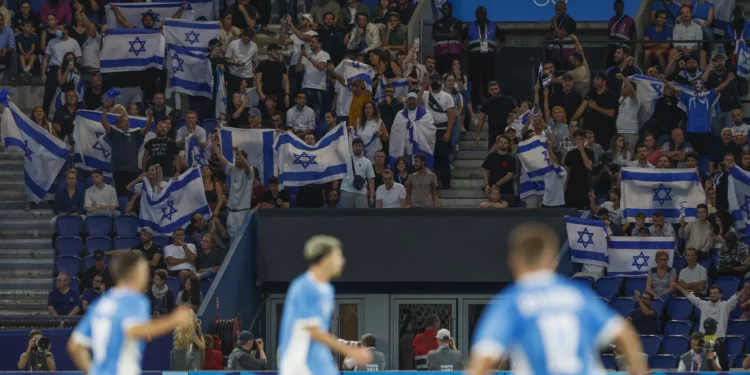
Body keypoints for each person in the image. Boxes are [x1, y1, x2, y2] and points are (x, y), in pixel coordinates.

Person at [467, 223, 646, 375]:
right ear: (554, 261)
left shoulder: (512, 302)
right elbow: (626, 335)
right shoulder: (578, 296)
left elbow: (482, 360)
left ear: (512, 261)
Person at [67, 253, 193, 374]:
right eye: (144, 271)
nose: (146, 277)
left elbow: (74, 345)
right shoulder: (134, 299)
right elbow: (133, 330)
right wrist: (174, 320)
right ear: (135, 273)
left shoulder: (100, 304)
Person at [277, 236, 372, 375]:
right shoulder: (303, 287)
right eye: (338, 256)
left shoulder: (328, 290)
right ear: (324, 259)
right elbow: (312, 331)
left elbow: (321, 333)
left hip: (319, 362)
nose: (343, 261)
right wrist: (351, 351)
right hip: (299, 364)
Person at [676, 282, 750, 337]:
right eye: (711, 293)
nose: (712, 295)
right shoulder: (704, 304)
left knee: (697, 354)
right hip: (703, 339)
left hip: (717, 340)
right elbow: (690, 297)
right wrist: (678, 286)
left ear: (720, 295)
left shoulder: (725, 306)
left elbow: (735, 296)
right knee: (687, 357)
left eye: (715, 293)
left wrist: (745, 288)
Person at [432, 2, 463, 74]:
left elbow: (454, 34)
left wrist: (440, 34)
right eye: (443, 9)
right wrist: (448, 34)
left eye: (446, 9)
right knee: (440, 76)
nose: (444, 11)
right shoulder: (437, 22)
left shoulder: (457, 22)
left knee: (454, 76)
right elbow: (434, 35)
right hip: (440, 55)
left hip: (453, 55)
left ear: (450, 10)